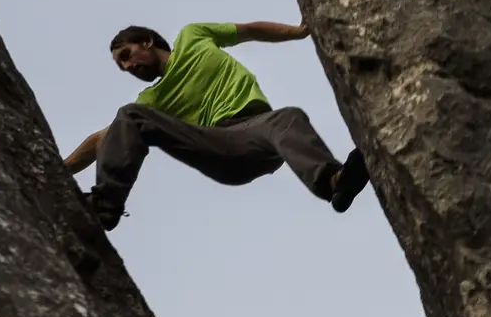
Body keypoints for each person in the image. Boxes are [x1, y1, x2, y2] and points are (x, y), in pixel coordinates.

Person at [62, 19, 369, 230]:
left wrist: (298, 31)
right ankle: (105, 204)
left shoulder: (193, 36)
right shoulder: (151, 98)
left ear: (147, 41)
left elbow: (249, 30)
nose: (128, 66)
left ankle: (335, 183)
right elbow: (106, 137)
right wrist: (59, 168)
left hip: (258, 132)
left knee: (288, 117)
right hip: (217, 144)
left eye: (127, 55)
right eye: (121, 66)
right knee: (128, 115)